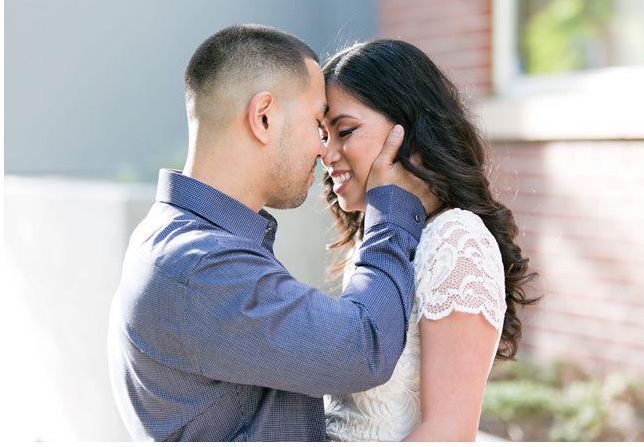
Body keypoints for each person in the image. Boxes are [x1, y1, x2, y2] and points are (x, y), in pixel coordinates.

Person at [107, 24, 438, 442]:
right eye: (319, 123)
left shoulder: (179, 240)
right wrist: (389, 207)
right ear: (263, 117)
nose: (324, 149)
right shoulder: (201, 265)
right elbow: (365, 346)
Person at [320, 39, 539, 441]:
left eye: (345, 131)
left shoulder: (456, 241)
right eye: (322, 136)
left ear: (409, 132)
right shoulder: (374, 242)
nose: (326, 153)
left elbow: (448, 433)